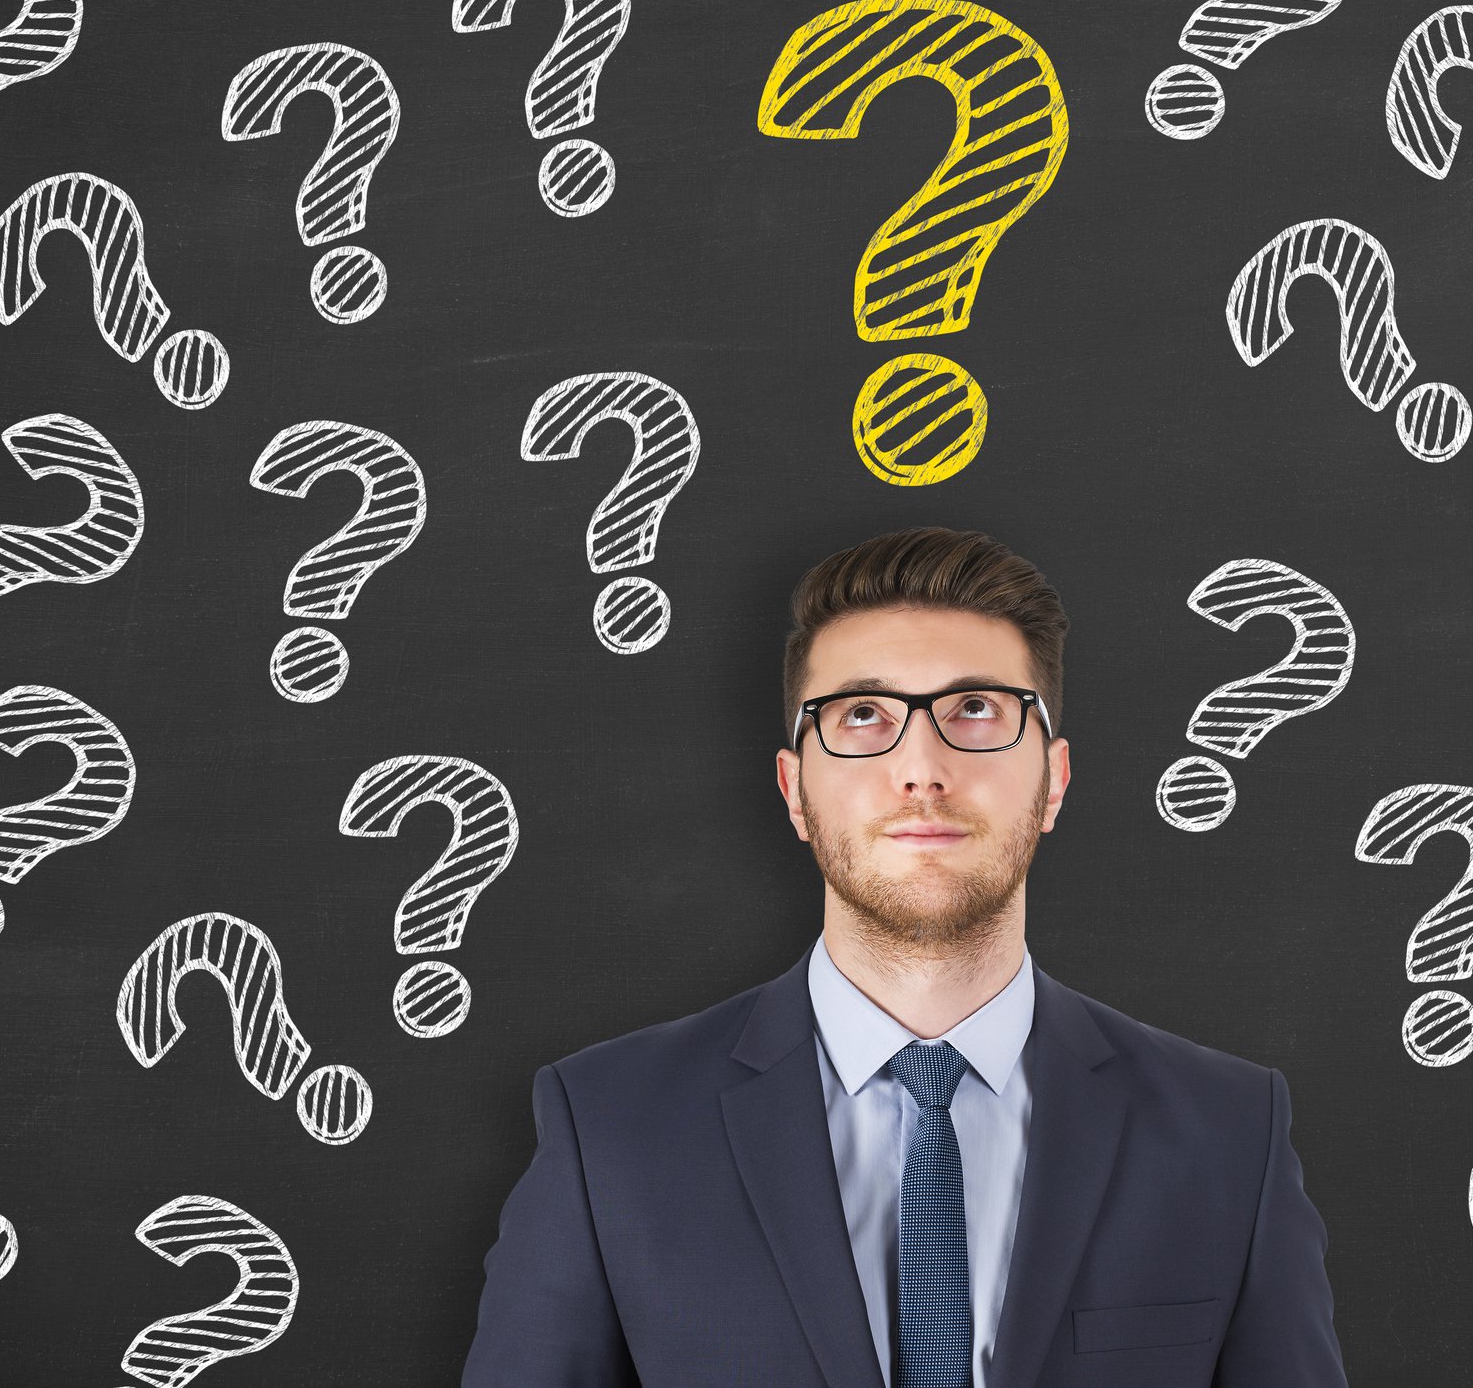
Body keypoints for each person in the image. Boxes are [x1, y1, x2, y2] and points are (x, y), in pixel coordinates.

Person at [461, 526, 1346, 1387]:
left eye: (975, 709)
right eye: (861, 715)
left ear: (1055, 780)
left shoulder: (1228, 1132)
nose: (920, 768)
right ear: (795, 789)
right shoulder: (609, 1126)